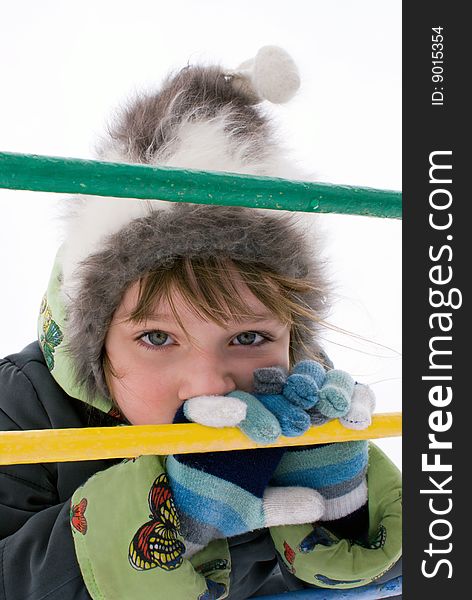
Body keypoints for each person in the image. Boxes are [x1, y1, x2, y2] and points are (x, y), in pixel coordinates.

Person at [0, 47, 401, 599]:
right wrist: (165, 516)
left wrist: (346, 507)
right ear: (93, 345)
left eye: (249, 337)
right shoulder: (23, 410)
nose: (212, 383)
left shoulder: (300, 406)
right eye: (157, 337)